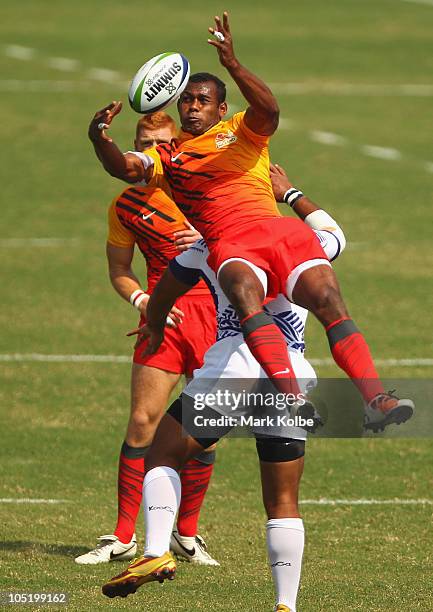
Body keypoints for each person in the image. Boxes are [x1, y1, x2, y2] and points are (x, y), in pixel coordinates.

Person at [88, 12, 413, 433]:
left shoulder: (242, 131)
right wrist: (100, 138)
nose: (192, 107)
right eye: (186, 100)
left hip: (280, 232)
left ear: (221, 108)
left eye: (202, 100)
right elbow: (125, 169)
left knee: (330, 300)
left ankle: (375, 399)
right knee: (244, 294)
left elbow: (270, 108)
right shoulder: (167, 157)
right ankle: (292, 397)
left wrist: (233, 65)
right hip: (231, 243)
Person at [101, 169, 345, 611]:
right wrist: (291, 192)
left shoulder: (211, 246)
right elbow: (334, 233)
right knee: (282, 500)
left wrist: (153, 324)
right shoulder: (304, 243)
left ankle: (156, 552)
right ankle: (285, 604)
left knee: (163, 453)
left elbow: (166, 289)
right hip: (289, 377)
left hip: (234, 371)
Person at [75, 112, 219, 567]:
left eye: (161, 142)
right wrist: (142, 301)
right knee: (142, 423)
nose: (152, 149)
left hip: (215, 318)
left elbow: (246, 235)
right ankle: (122, 536)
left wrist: (207, 236)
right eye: (144, 142)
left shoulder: (202, 191)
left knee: (205, 436)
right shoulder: (125, 206)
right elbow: (119, 271)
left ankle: (187, 535)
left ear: (174, 146)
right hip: (163, 320)